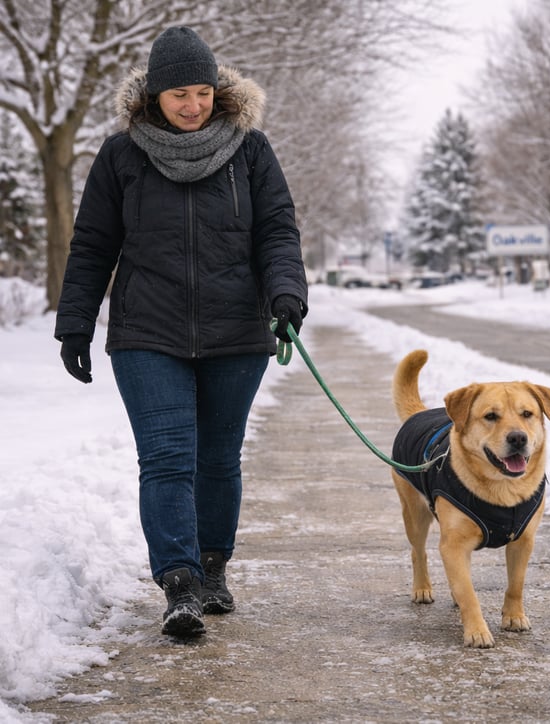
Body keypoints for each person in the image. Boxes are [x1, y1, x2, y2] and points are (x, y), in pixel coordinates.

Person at [55, 26, 308, 638]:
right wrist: (75, 323)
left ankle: (213, 567)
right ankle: (180, 584)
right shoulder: (121, 156)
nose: (192, 105)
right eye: (178, 95)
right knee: (166, 457)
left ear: (218, 91)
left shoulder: (251, 150)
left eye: (202, 92)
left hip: (236, 330)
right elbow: (93, 245)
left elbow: (276, 230)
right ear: (154, 95)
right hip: (147, 332)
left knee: (217, 458)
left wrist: (286, 294)